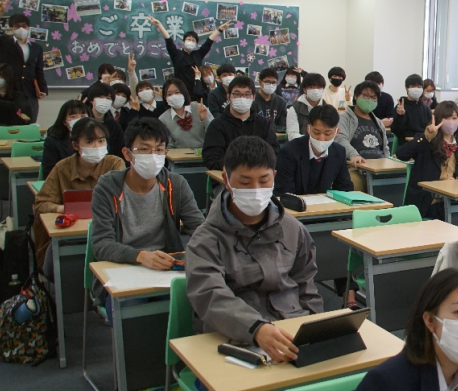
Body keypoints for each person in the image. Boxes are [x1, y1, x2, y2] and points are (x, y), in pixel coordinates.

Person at [186, 136, 323, 362]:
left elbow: (306, 285)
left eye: (264, 180)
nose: (256, 190)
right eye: (245, 182)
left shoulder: (292, 228)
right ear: (226, 180)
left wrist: (316, 329)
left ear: (274, 177)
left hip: (290, 330)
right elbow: (211, 296)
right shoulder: (206, 240)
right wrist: (256, 328)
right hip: (233, 338)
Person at [91, 118, 204, 273]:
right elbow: (101, 244)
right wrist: (141, 256)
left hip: (165, 264)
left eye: (159, 150)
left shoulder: (176, 184)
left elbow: (199, 228)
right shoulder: (108, 188)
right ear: (127, 154)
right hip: (122, 266)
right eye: (144, 149)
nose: (153, 155)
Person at [32, 118, 125, 268]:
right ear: (76, 145)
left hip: (108, 233)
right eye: (89, 142)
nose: (97, 146)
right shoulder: (62, 168)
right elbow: (40, 204)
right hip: (67, 238)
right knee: (56, 265)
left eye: (101, 141)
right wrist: (64, 209)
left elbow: (123, 200)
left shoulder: (115, 164)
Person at [396, 101, 458, 220]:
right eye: (446, 118)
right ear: (438, 119)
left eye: (454, 118)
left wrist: (455, 182)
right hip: (429, 201)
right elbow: (401, 154)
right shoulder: (426, 142)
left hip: (450, 199)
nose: (451, 122)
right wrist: (426, 137)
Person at [202, 76, 279, 172]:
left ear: (253, 97)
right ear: (228, 96)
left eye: (247, 94)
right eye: (236, 94)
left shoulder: (264, 124)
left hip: (258, 173)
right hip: (228, 175)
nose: (242, 98)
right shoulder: (217, 125)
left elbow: (273, 152)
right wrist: (230, 168)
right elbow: (211, 157)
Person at [0, 0, 47, 122]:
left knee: (29, 122)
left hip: (29, 92)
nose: (21, 29)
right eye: (16, 26)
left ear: (28, 28)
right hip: (9, 91)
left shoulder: (36, 48)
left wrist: (43, 88)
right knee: (6, 122)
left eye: (24, 26)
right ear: (11, 28)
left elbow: (39, 70)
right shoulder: (5, 42)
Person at [274, 104, 353, 196]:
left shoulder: (339, 152)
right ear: (308, 129)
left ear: (337, 132)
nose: (321, 138)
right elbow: (284, 194)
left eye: (327, 134)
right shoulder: (289, 152)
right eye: (316, 132)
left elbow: (345, 189)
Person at [150, 15, 224, 98]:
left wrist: (219, 29)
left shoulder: (198, 54)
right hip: (181, 92)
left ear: (196, 44)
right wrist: (159, 25)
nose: (191, 42)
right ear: (183, 41)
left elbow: (209, 42)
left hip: (198, 91)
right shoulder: (176, 54)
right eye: (189, 39)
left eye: (193, 40)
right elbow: (168, 40)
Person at [336, 81, 390, 191]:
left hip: (378, 166)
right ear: (356, 96)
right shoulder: (343, 118)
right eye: (365, 95)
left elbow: (385, 148)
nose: (369, 100)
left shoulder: (378, 123)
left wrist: (389, 161)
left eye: (373, 97)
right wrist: (354, 155)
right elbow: (341, 139)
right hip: (355, 167)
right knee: (355, 182)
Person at [158, 78, 213, 149]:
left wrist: (205, 119)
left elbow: (214, 132)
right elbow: (169, 146)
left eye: (177, 92)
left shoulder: (199, 108)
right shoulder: (163, 119)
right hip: (179, 155)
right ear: (165, 98)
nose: (174, 96)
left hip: (204, 152)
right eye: (169, 94)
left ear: (184, 93)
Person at [42, 99, 89, 179]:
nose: (79, 120)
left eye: (83, 116)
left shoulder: (97, 140)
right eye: (73, 117)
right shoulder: (53, 142)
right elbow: (49, 173)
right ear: (64, 121)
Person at [286, 72, 329, 141]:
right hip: (299, 145)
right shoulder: (294, 109)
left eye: (318, 87)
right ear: (304, 90)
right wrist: (313, 141)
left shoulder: (328, 109)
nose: (315, 90)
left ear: (323, 89)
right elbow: (292, 135)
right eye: (311, 87)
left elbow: (331, 133)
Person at [88, 82, 126, 159]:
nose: (104, 101)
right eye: (100, 97)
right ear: (91, 100)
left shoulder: (114, 125)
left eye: (108, 98)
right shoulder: (84, 122)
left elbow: (120, 150)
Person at [392, 73, 433, 144]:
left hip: (424, 143)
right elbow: (396, 131)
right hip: (407, 143)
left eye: (419, 87)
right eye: (413, 86)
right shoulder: (400, 107)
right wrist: (400, 116)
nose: (416, 89)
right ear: (407, 88)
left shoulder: (426, 109)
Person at [254, 68, 288, 133]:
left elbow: (282, 126)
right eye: (267, 82)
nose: (271, 85)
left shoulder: (281, 102)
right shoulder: (252, 100)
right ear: (260, 82)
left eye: (273, 82)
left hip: (275, 136)